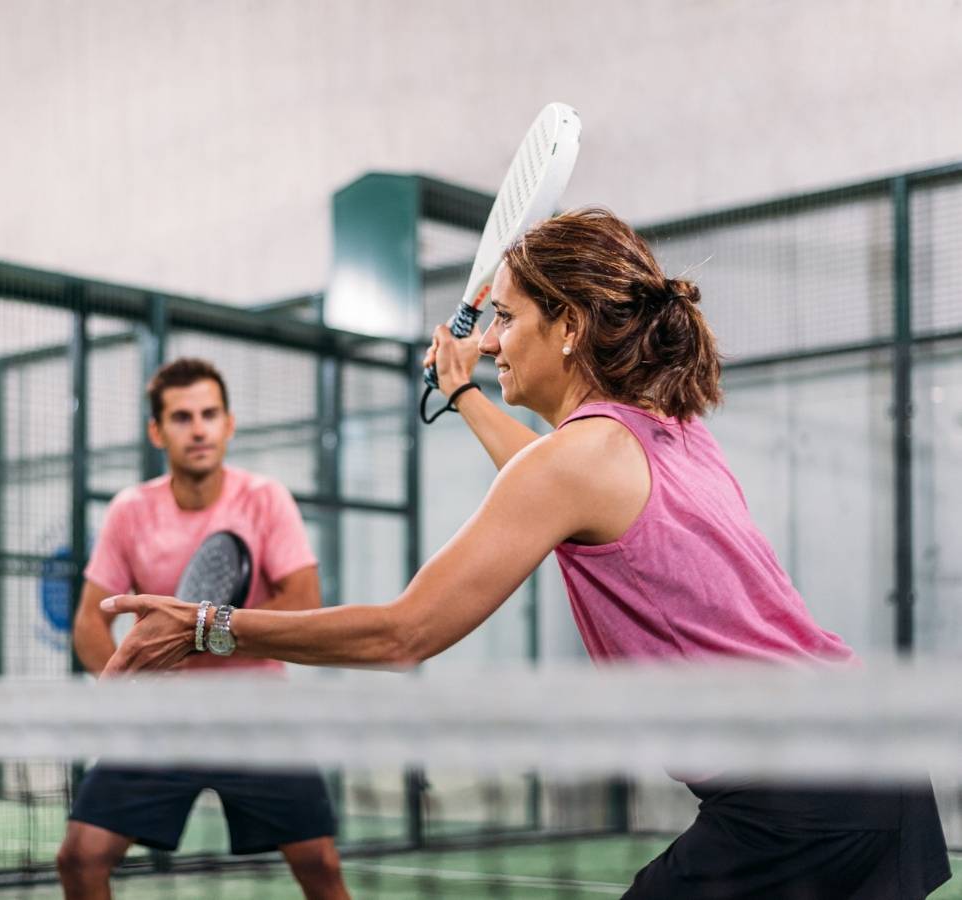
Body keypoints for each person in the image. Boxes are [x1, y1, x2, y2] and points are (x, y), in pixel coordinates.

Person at [99, 210, 953, 899]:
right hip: (870, 764)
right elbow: (545, 481)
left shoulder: (577, 460)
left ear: (571, 326)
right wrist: (465, 389)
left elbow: (405, 634)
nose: (495, 336)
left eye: (507, 317)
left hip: (797, 800)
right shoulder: (667, 432)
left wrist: (208, 627)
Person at [56, 358, 348, 900]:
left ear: (229, 424)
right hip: (162, 722)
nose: (198, 428)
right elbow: (90, 624)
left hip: (257, 716)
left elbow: (304, 601)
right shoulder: (130, 511)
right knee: (79, 858)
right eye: (182, 416)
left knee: (321, 868)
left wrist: (196, 634)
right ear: (157, 430)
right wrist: (126, 686)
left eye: (210, 414)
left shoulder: (264, 499)